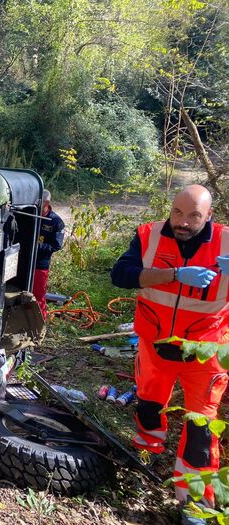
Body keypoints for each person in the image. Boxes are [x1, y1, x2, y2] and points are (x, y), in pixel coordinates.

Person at [111, 185, 229, 522]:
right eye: (177, 212)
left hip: (205, 354)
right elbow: (121, 275)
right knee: (149, 405)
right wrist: (174, 275)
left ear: (209, 216)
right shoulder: (148, 235)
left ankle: (194, 504)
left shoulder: (226, 242)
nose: (183, 222)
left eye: (194, 216)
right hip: (156, 345)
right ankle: (146, 457)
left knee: (201, 428)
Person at [34, 189, 65, 318]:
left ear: (47, 202)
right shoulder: (31, 215)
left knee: (38, 294)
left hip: (40, 264)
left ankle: (40, 322)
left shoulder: (56, 222)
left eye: (39, 203)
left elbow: (57, 245)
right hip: (23, 261)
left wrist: (38, 247)